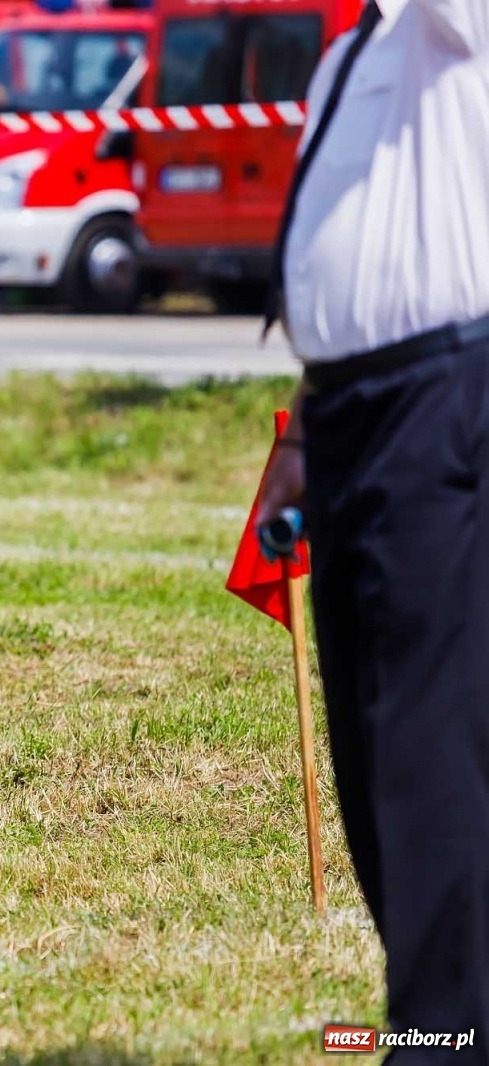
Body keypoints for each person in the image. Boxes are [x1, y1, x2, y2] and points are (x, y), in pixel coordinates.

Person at [255, 1, 489, 1054]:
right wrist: (299, 441)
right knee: (365, 748)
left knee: (422, 746)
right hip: (347, 414)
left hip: (442, 398)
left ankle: (445, 1032)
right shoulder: (351, 53)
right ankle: (441, 1016)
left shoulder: (454, 25)